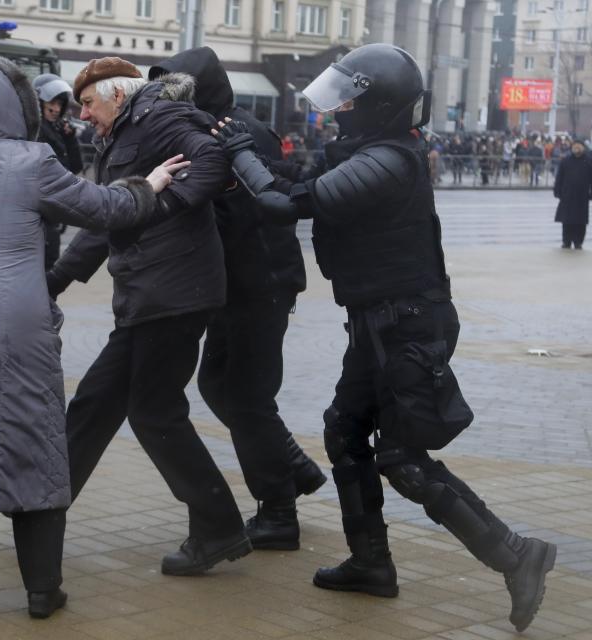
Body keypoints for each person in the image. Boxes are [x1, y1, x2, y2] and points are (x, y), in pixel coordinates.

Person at [214, 43, 556, 632]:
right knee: (344, 432)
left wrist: (240, 151)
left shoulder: (390, 161)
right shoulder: (369, 150)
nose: (336, 110)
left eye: (347, 99)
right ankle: (371, 562)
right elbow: (298, 176)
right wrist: (254, 147)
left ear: (377, 106)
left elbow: (281, 202)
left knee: (402, 458)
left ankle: (518, 555)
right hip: (380, 321)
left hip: (407, 325)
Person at [0, 54, 186, 618]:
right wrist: (148, 184)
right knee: (30, 441)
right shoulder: (31, 162)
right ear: (20, 107)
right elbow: (106, 209)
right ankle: (41, 589)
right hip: (5, 325)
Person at [46, 57, 251, 576]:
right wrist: (57, 279)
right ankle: (42, 509)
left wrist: (165, 204)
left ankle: (218, 527)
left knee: (154, 413)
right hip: (146, 296)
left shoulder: (158, 115)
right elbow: (107, 218)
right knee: (95, 403)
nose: (83, 115)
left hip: (176, 292)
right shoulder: (120, 134)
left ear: (117, 94)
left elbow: (213, 158)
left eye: (88, 104)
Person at [147, 47, 326, 552]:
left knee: (247, 398)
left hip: (260, 284)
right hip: (236, 286)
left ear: (201, 90)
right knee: (219, 386)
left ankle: (278, 511)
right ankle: (290, 466)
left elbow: (259, 210)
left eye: (176, 89)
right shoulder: (204, 130)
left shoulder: (238, 133)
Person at [32, 73, 83, 270]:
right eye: (51, 102)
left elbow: (74, 167)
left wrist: (69, 138)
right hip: (39, 215)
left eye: (60, 104)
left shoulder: (56, 130)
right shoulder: (35, 131)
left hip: (53, 211)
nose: (56, 108)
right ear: (39, 102)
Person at [554, 140, 592, 249]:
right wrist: (557, 191)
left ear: (583, 148)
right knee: (566, 220)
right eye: (575, 146)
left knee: (580, 221)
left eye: (579, 146)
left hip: (582, 196)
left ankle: (578, 242)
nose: (576, 148)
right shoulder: (566, 161)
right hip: (567, 195)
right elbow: (559, 177)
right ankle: (566, 241)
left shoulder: (589, 161)